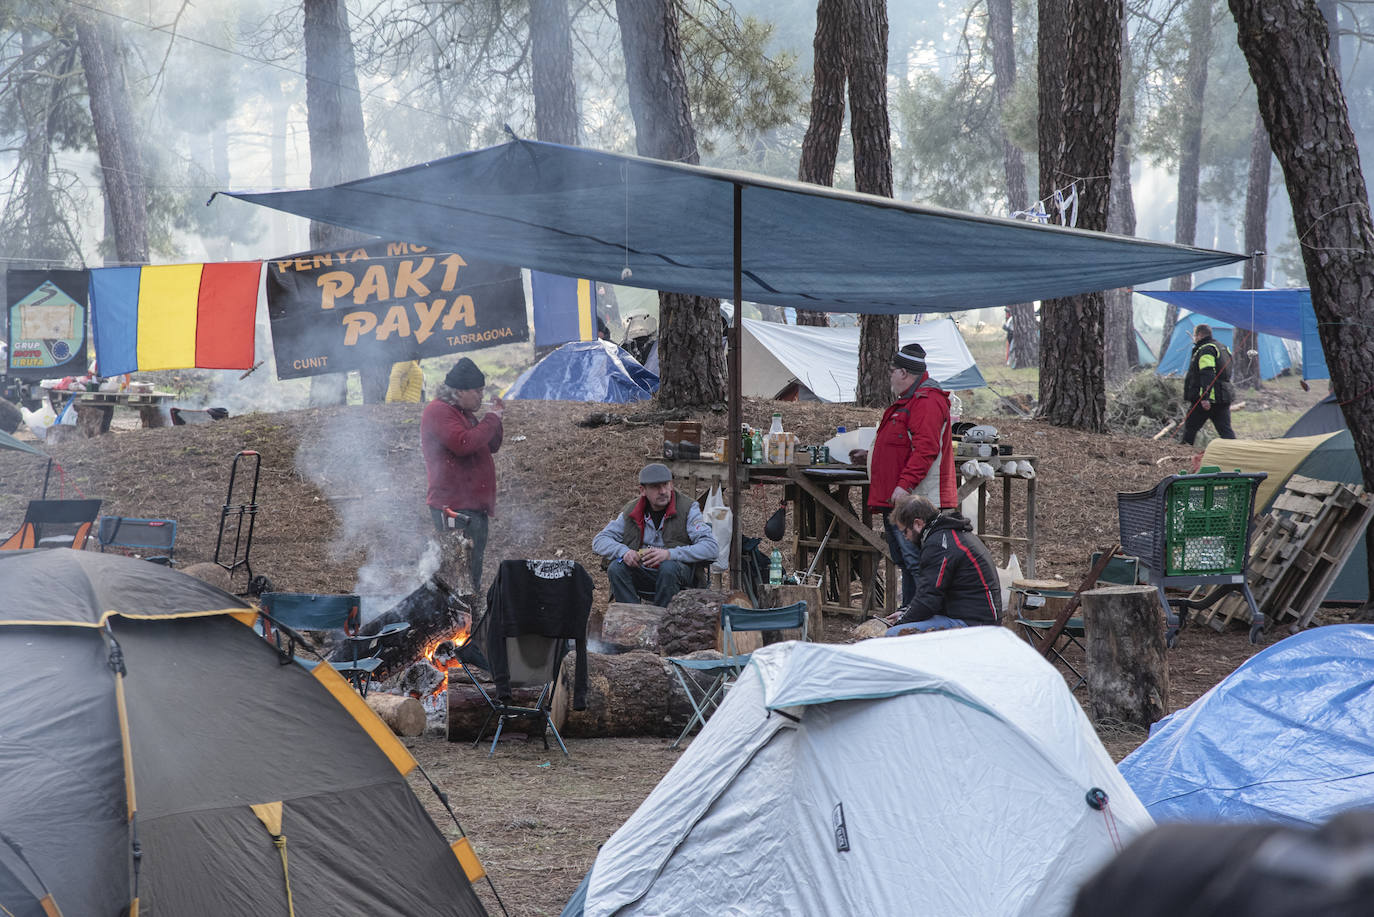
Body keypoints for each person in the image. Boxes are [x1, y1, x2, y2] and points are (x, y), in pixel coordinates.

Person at [851, 342, 957, 605]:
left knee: (917, 562)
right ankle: (910, 613)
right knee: (907, 561)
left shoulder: (927, 402)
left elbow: (925, 451)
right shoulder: (910, 401)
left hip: (916, 500)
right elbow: (905, 444)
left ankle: (920, 617)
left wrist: (905, 485)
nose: (889, 376)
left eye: (892, 371)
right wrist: (873, 456)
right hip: (901, 499)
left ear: (904, 373)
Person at [421, 357, 503, 594]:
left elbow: (492, 444)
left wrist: (494, 420)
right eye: (476, 391)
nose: (480, 396)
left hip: (472, 506)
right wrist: (491, 419)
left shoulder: (464, 413)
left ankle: (468, 620)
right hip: (453, 507)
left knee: (473, 569)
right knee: (459, 573)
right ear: (458, 391)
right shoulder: (439, 411)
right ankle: (459, 622)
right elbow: (464, 443)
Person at [593, 462, 718, 607]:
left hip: (677, 574)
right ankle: (632, 619)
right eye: (655, 487)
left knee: (668, 568)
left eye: (666, 485)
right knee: (616, 568)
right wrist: (624, 552)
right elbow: (599, 541)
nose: (663, 491)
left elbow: (711, 548)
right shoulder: (631, 510)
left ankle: (664, 621)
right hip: (644, 571)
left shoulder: (688, 508)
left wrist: (670, 554)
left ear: (671, 485)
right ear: (643, 490)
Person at [882, 495, 1001, 634]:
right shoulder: (949, 534)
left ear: (918, 524)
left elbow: (928, 600)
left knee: (893, 634)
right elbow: (931, 594)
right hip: (973, 617)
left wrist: (902, 621)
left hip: (974, 624)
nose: (905, 538)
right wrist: (906, 612)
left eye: (905, 532)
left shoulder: (938, 544)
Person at [1180, 323, 1236, 445]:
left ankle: (1182, 456)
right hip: (1223, 397)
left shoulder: (1206, 349)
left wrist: (1205, 397)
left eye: (1195, 336)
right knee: (1225, 431)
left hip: (1206, 399)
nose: (1194, 339)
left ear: (1199, 335)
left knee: (1190, 428)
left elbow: (1207, 373)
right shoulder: (1223, 348)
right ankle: (1236, 454)